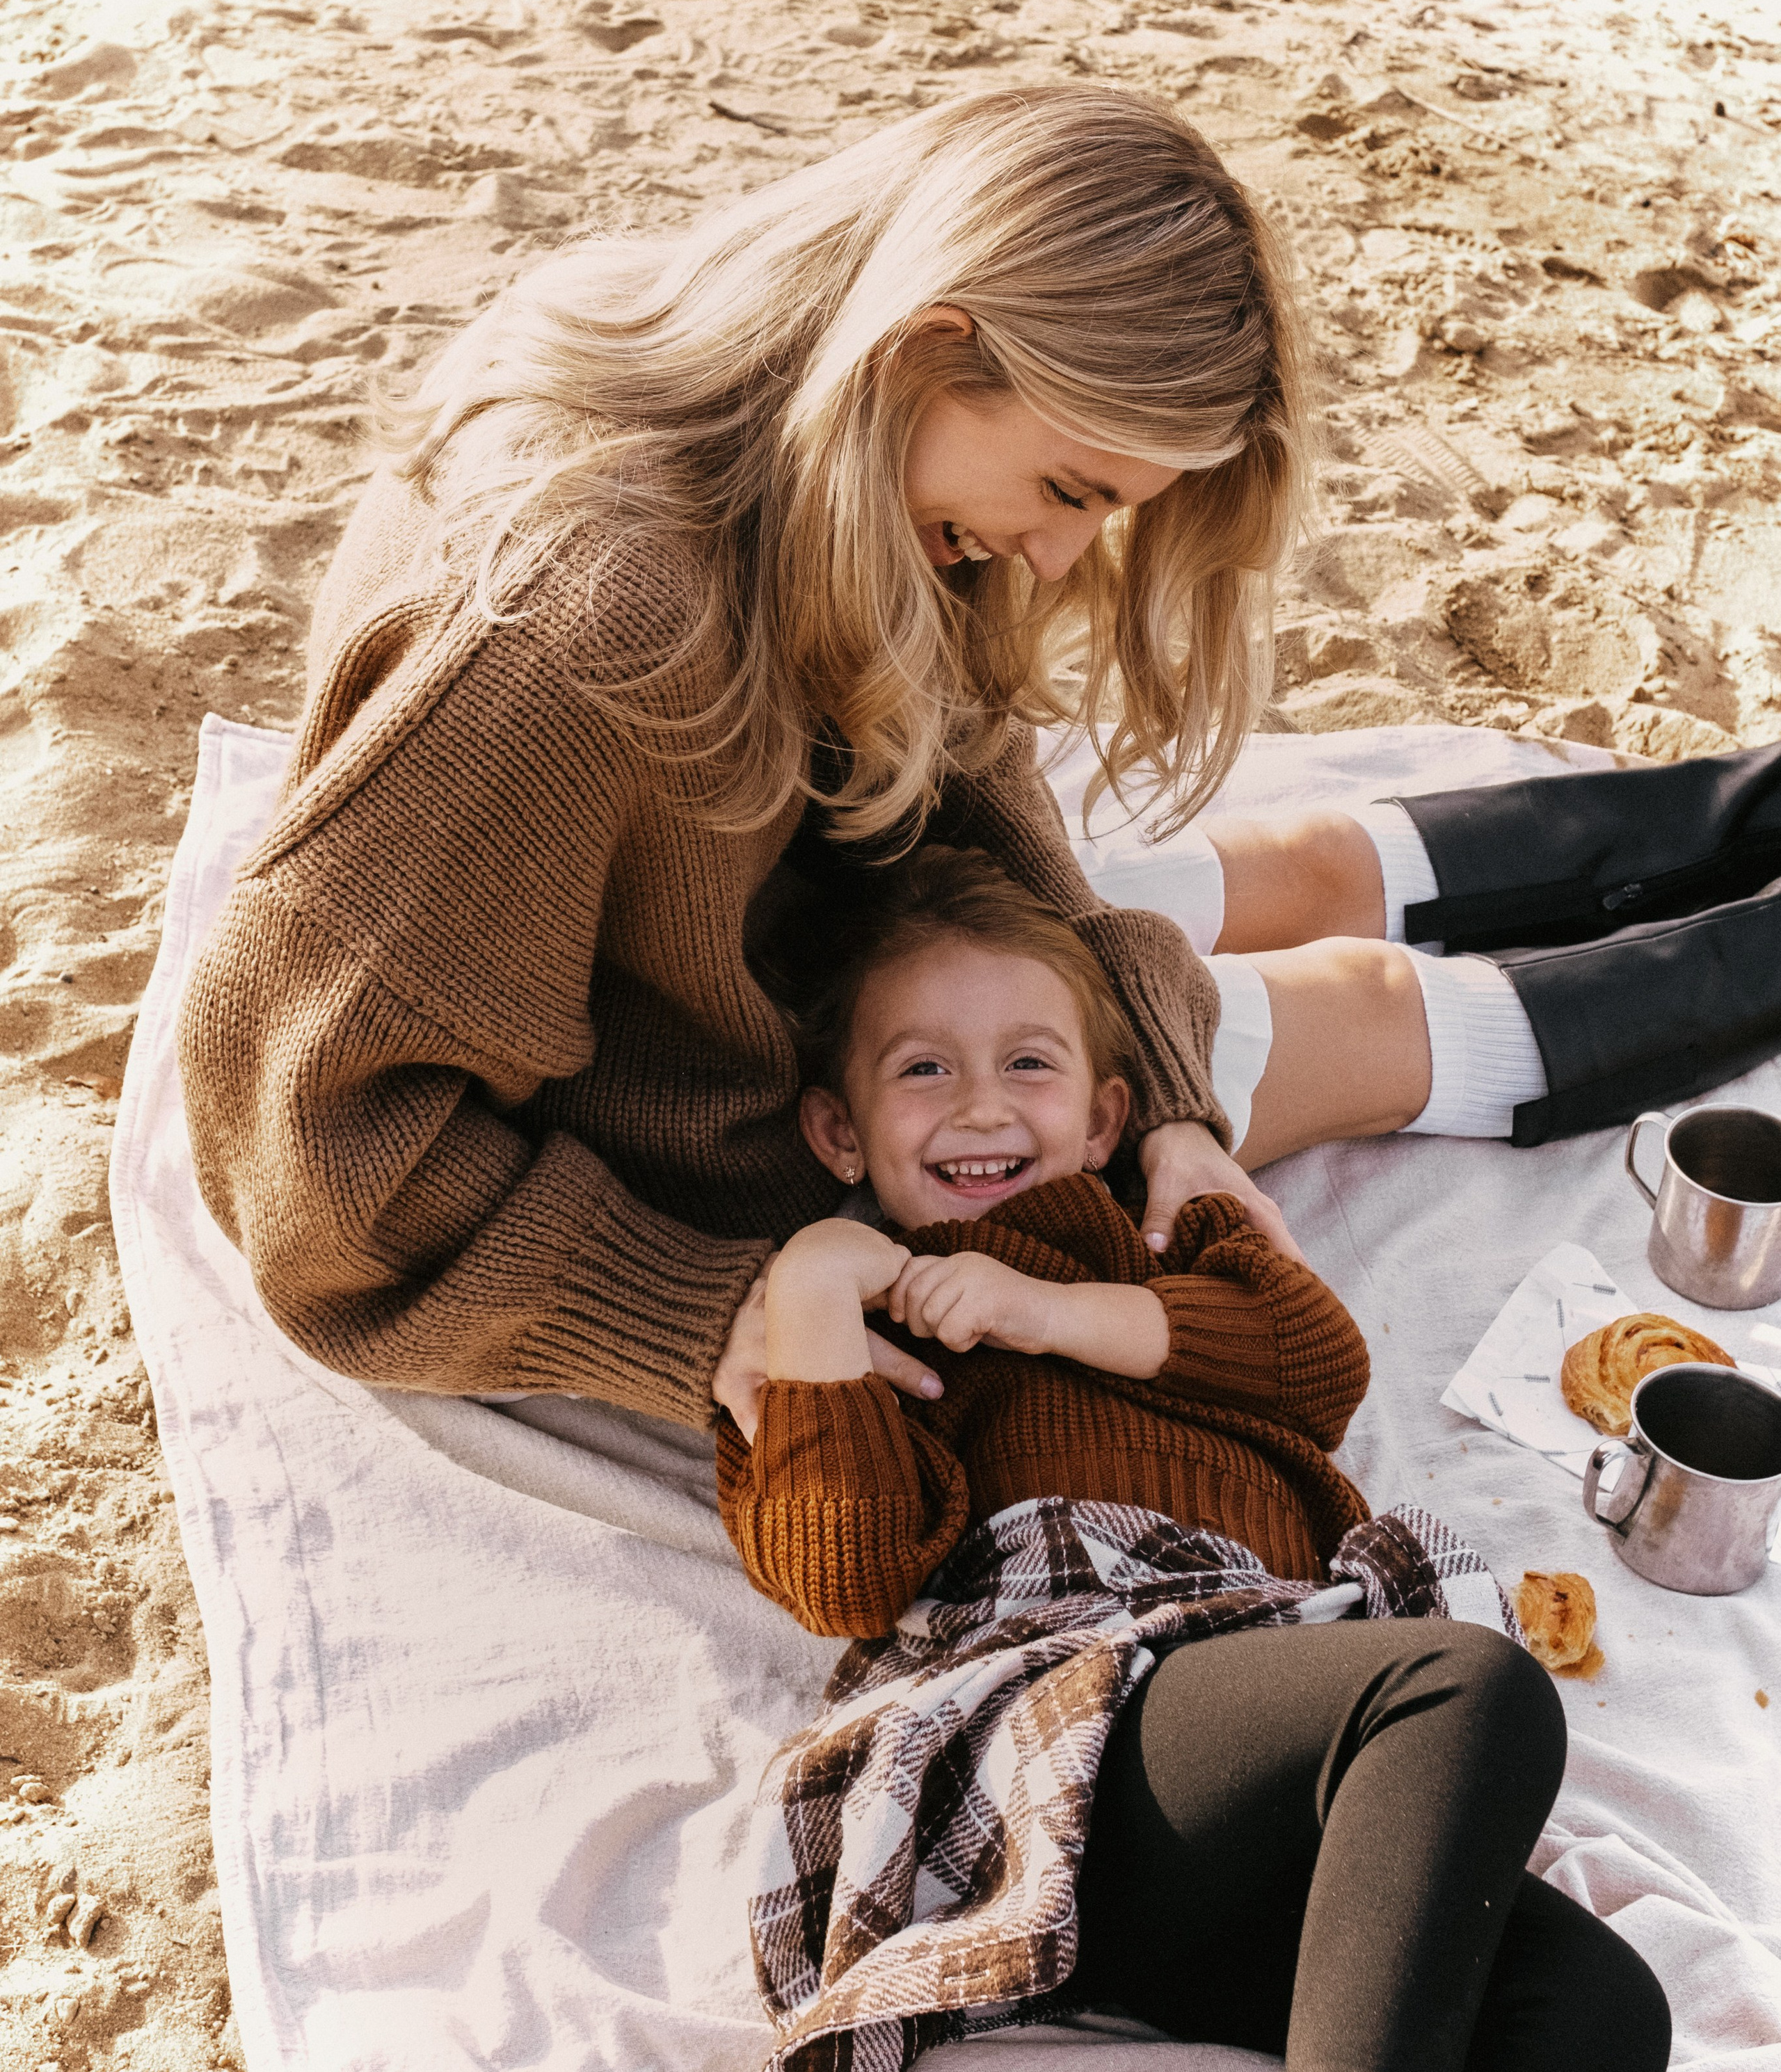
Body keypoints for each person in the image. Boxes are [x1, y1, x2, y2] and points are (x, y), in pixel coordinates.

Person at [177, 79, 1781, 1445]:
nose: (1067, 559)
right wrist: (706, 1313)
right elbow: (312, 1165)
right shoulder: (577, 627)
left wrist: (1156, 1099)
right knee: (1351, 1014)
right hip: (719, 1077)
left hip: (802, 914)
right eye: (1070, 489)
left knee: (1275, 880)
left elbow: (972, 779)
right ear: (933, 345)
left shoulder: (805, 418)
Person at [717, 844, 1670, 2072]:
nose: (977, 1106)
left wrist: (1042, 1310)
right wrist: (820, 1286)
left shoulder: (1172, 1236)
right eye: (918, 1072)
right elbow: (840, 1571)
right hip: (1057, 1745)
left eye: (1027, 1065)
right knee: (1463, 1692)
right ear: (837, 1127)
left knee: (1594, 2024)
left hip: (1235, 1793)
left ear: (1105, 1116)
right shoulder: (856, 1322)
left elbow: (1311, 1368)